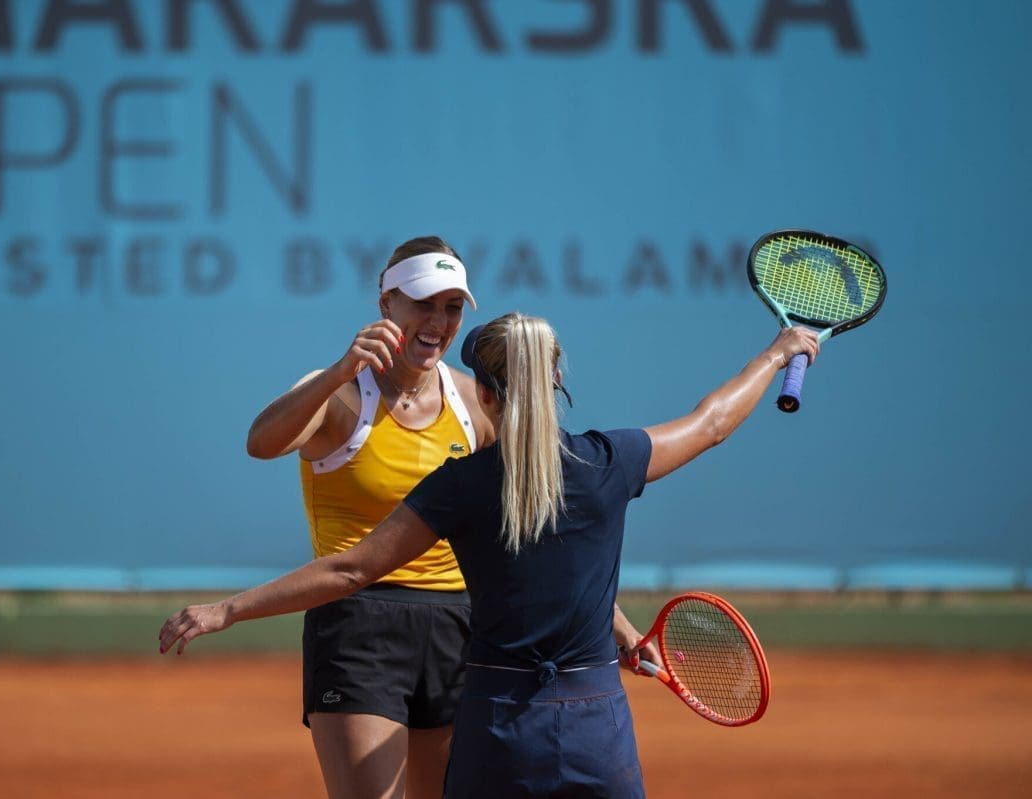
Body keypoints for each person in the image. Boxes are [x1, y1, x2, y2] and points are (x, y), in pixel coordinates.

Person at [161, 311, 820, 797]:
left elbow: (349, 568)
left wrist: (228, 609)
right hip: (600, 731)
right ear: (557, 380)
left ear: (483, 392)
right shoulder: (609, 462)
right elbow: (711, 423)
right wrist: (777, 350)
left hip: (498, 732)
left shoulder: (461, 485)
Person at [240, 236, 496, 799]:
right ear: (386, 304)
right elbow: (260, 443)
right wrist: (336, 372)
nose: (438, 321)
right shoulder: (338, 394)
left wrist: (613, 622)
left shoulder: (475, 401)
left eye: (452, 307)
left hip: (458, 625)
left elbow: (531, 520)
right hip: (357, 626)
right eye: (423, 303)